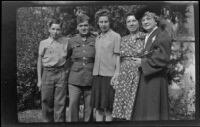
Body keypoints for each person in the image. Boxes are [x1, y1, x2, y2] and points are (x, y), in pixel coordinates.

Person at [133, 11, 172, 120]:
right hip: (147, 76)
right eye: (143, 20)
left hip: (156, 78)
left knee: (153, 108)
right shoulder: (148, 36)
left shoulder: (162, 34)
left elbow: (164, 57)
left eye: (148, 19)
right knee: (145, 108)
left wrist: (142, 62)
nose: (145, 22)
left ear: (156, 21)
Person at [111, 13, 145, 120]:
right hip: (124, 74)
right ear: (126, 25)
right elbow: (117, 57)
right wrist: (116, 74)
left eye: (134, 21)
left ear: (138, 23)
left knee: (136, 104)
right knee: (122, 107)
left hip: (139, 73)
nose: (131, 23)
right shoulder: (122, 39)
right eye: (129, 21)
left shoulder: (145, 37)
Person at [91, 9, 121, 122]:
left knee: (108, 107)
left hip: (109, 75)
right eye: (101, 22)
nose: (103, 24)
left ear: (110, 22)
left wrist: (117, 74)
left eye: (106, 22)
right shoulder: (97, 37)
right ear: (98, 23)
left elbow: (118, 56)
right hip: (97, 75)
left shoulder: (116, 36)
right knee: (98, 107)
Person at [37, 18, 69, 122]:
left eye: (58, 29)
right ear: (49, 29)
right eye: (53, 29)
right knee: (46, 101)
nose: (56, 32)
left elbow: (70, 56)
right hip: (47, 73)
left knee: (60, 103)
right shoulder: (43, 43)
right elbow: (39, 62)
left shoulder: (66, 41)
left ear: (61, 30)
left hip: (61, 73)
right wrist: (39, 80)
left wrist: (66, 71)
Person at [67, 14, 96, 122]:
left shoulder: (95, 39)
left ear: (89, 26)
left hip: (91, 77)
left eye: (86, 25)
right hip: (75, 78)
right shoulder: (71, 40)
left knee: (89, 107)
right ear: (77, 27)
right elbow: (66, 57)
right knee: (73, 104)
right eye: (81, 25)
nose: (84, 28)